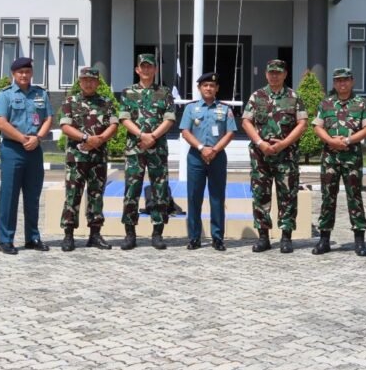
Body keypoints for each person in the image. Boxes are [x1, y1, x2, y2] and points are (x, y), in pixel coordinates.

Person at [241, 59, 308, 253]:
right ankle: (263, 237)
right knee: (260, 195)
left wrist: (283, 144)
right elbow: (246, 121)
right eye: (271, 72)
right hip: (260, 156)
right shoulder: (257, 96)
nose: (274, 76)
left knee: (287, 196)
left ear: (285, 74)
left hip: (286, 155)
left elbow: (302, 124)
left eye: (278, 72)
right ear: (266, 74)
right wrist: (260, 143)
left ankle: (286, 237)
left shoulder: (294, 97)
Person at [311, 67, 366, 256]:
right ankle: (324, 240)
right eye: (338, 80)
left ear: (352, 81)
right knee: (327, 197)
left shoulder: (361, 103)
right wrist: (331, 141)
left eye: (345, 80)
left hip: (352, 157)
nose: (342, 83)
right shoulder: (326, 103)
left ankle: (359, 240)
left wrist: (347, 140)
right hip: (330, 158)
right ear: (334, 83)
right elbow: (317, 127)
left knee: (354, 197)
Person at [0, 57, 53, 255]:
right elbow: (1, 122)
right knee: (9, 196)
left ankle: (32, 237)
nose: (24, 75)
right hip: (13, 149)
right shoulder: (5, 95)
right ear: (13, 74)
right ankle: (6, 240)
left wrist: (38, 138)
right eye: (20, 72)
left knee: (33, 195)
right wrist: (22, 138)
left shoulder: (40, 94)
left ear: (32, 73)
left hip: (34, 149)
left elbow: (48, 118)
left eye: (27, 72)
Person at [119, 53, 176, 250]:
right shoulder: (128, 92)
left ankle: (158, 233)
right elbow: (124, 118)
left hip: (157, 149)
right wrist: (142, 135)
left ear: (155, 69)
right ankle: (130, 233)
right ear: (137, 69)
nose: (146, 69)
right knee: (131, 190)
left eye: (149, 66)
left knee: (159, 190)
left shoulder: (164, 92)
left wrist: (152, 137)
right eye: (143, 66)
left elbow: (169, 118)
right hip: (135, 149)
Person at [58, 66, 119, 252]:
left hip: (98, 157)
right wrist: (86, 138)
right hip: (76, 158)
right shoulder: (70, 101)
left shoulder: (106, 102)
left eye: (92, 80)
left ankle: (95, 234)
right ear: (80, 82)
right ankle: (68, 235)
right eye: (85, 80)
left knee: (96, 196)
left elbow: (114, 125)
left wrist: (99, 139)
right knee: (72, 196)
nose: (89, 83)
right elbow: (65, 127)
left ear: (98, 83)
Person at [180, 72, 237, 251]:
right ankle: (194, 237)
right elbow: (185, 131)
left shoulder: (225, 109)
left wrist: (214, 150)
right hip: (196, 157)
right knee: (194, 197)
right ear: (199, 88)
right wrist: (201, 148)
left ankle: (217, 238)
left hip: (217, 156)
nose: (208, 88)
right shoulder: (191, 108)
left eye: (212, 85)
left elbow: (230, 132)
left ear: (217, 88)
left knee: (217, 197)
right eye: (205, 85)